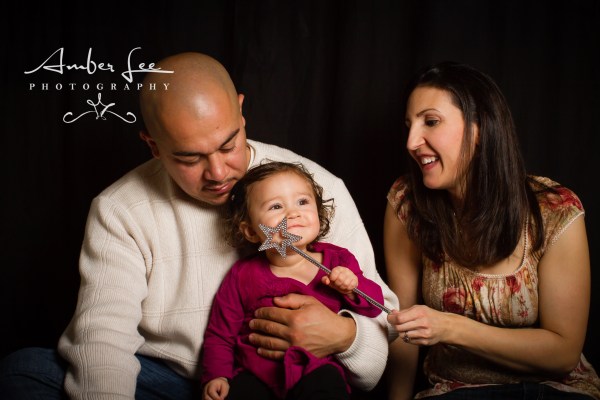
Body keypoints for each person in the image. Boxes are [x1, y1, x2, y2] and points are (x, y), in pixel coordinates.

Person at [0, 52, 398, 399]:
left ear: (241, 111)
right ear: (153, 146)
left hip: (301, 375)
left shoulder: (312, 188)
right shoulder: (119, 209)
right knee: (25, 370)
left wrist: (345, 336)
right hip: (172, 381)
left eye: (228, 145)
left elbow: (381, 325)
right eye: (190, 158)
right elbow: (102, 340)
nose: (219, 173)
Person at [383, 61, 600, 400]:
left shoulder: (555, 210)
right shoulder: (407, 203)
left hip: (551, 390)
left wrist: (450, 327)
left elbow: (563, 353)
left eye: (431, 121)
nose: (412, 142)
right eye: (409, 126)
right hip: (456, 392)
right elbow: (402, 329)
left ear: (480, 128)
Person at [202, 161, 385, 400]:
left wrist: (353, 287)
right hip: (255, 373)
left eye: (302, 202)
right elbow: (220, 333)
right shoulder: (242, 275)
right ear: (251, 231)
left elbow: (375, 306)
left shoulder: (337, 261)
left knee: (329, 385)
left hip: (317, 370)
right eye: (276, 206)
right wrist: (216, 375)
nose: (293, 213)